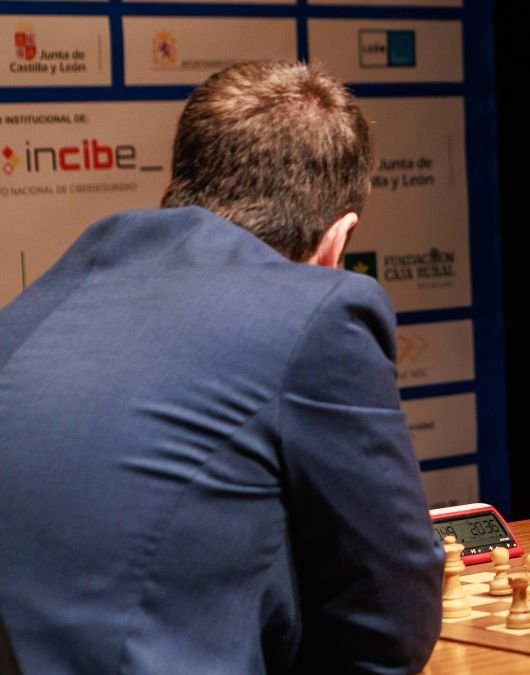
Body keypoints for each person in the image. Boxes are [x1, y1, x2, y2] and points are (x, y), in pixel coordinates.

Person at [0, 61, 443, 673]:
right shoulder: (320, 310)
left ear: (177, 183)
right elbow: (391, 615)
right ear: (338, 242)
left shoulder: (39, 304)